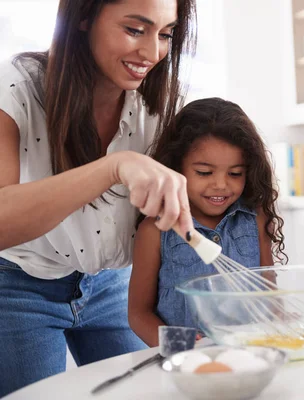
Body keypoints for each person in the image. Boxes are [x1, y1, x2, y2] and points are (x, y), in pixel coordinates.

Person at [0, 0, 197, 395]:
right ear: (84, 17)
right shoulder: (16, 88)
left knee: (153, 391)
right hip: (19, 286)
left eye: (165, 34)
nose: (152, 52)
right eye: (135, 29)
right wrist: (114, 166)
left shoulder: (159, 102)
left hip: (113, 286)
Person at [128, 98, 286, 347]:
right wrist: (183, 346)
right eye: (204, 172)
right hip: (187, 364)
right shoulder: (155, 231)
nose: (221, 185)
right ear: (175, 167)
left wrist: (280, 325)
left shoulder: (256, 220)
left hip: (249, 354)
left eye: (235, 173)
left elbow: (268, 295)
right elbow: (138, 313)